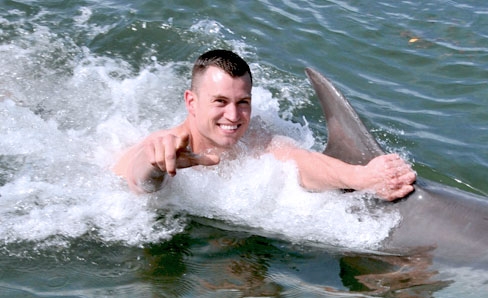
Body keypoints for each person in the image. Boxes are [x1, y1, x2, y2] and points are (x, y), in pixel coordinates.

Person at [114, 49, 416, 200]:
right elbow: (138, 180)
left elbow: (301, 162)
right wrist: (155, 166)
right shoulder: (168, 143)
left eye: (242, 102)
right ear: (191, 102)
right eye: (220, 102)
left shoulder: (255, 135)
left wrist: (361, 176)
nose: (233, 116)